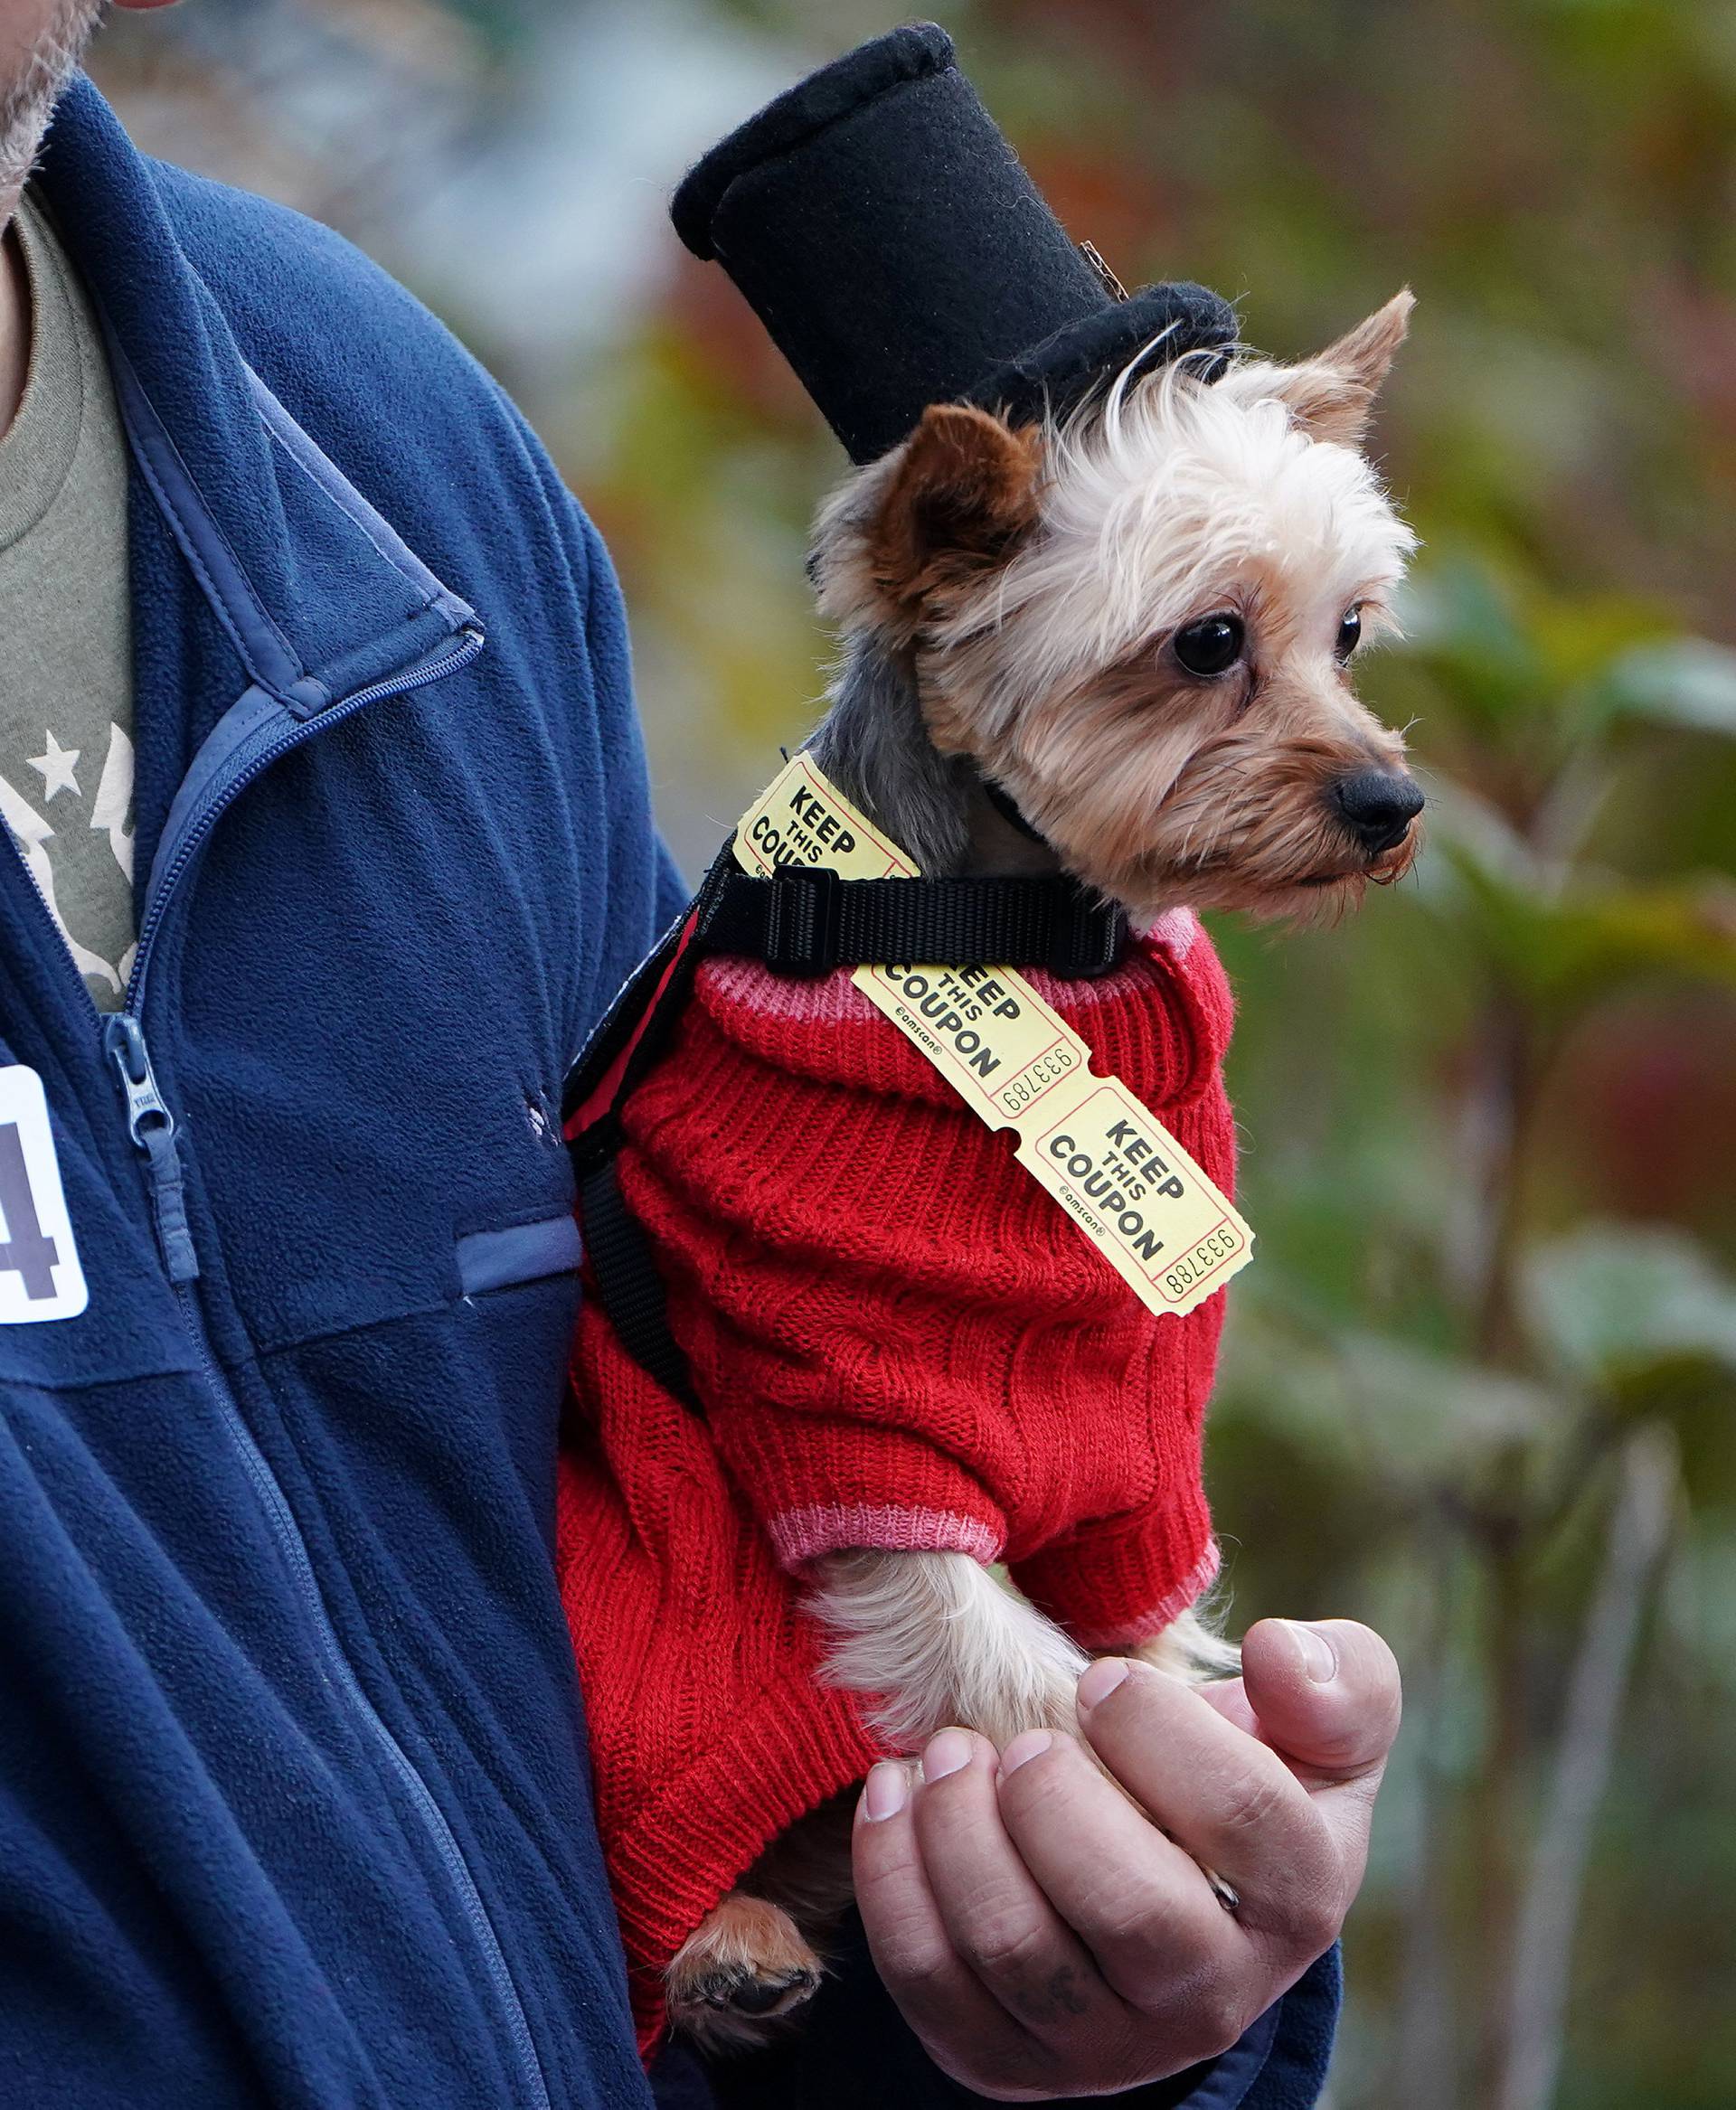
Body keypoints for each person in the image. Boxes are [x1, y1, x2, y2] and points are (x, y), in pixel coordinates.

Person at [0, 4, 1401, 2105]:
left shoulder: (385, 452)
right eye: (1207, 656)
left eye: (1341, 654)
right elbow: (828, 1464)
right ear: (948, 576)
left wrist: (1076, 1992)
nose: (1361, 762)